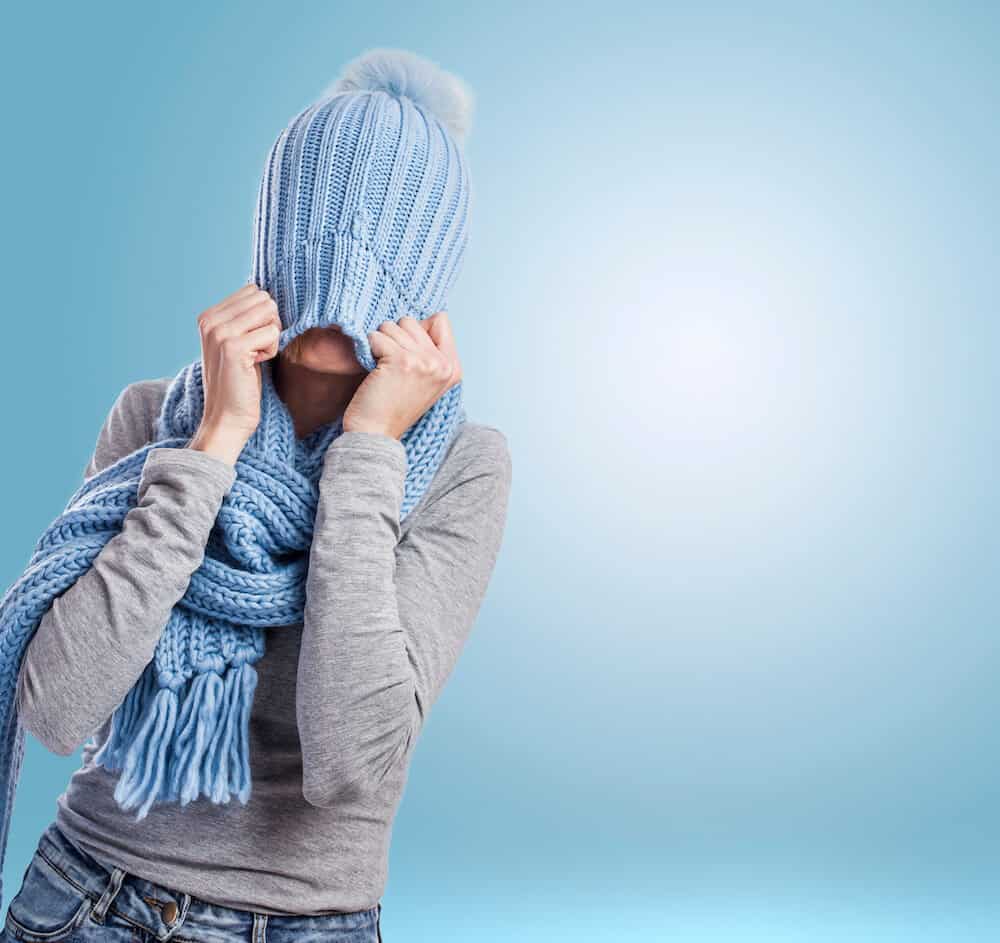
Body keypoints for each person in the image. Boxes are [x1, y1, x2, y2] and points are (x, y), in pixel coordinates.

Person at [0, 49, 511, 942]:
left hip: (307, 922)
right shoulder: (158, 420)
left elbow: (351, 763)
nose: (345, 272)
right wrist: (212, 447)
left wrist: (368, 449)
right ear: (272, 238)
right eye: (320, 224)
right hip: (83, 896)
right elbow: (55, 708)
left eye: (386, 237)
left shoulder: (463, 467)